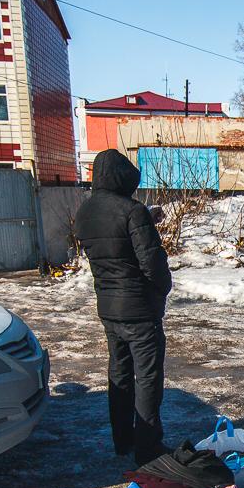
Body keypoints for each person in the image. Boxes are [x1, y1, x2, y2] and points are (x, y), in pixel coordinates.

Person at [73, 149, 172, 464]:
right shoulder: (132, 211)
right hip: (139, 311)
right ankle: (148, 448)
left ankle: (123, 439)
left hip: (108, 307)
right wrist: (162, 287)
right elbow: (151, 263)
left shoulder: (85, 212)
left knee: (119, 373)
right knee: (147, 378)